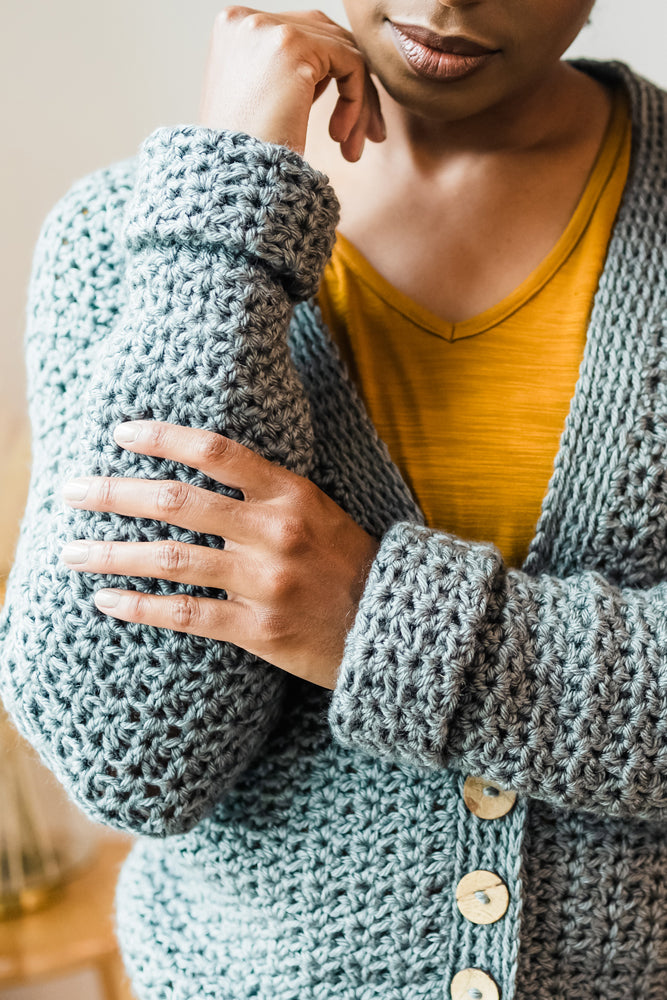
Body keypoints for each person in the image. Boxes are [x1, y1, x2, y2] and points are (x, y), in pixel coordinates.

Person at [1, 1, 666, 998]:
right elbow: (131, 758)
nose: (445, 2)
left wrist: (379, 626)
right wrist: (224, 224)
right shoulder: (138, 241)